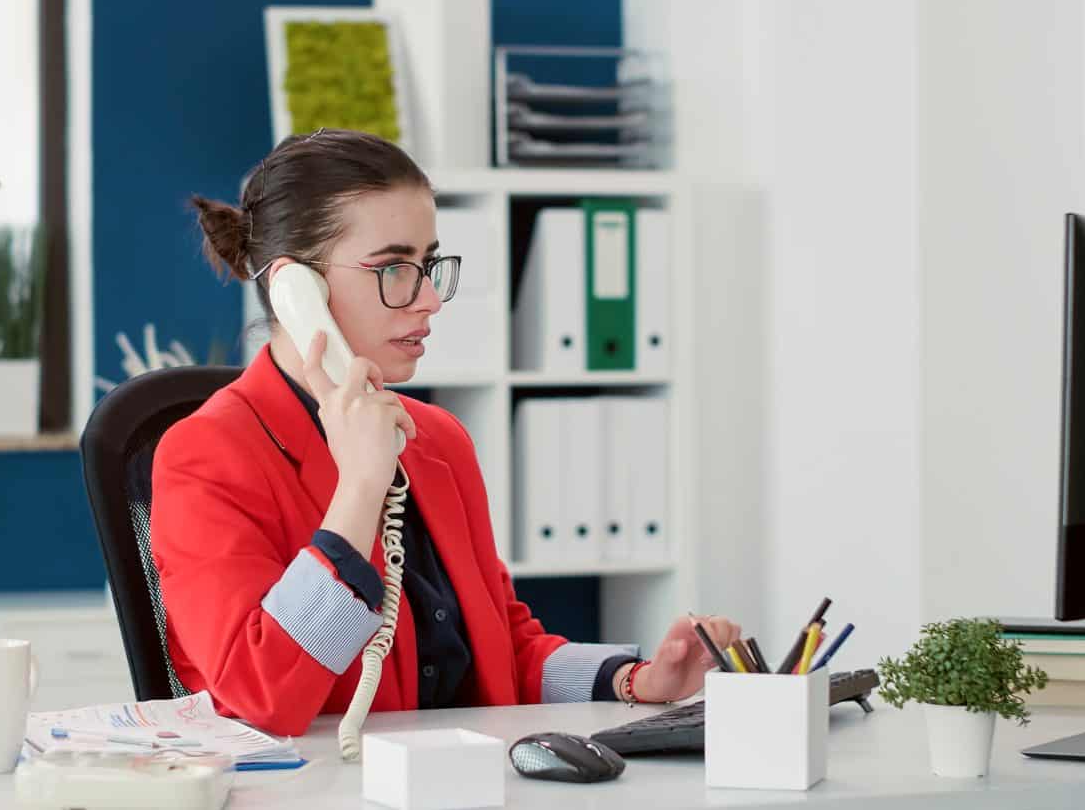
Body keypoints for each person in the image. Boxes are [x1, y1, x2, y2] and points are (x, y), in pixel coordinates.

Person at [150, 128, 743, 738]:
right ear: (294, 288)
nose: (430, 299)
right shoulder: (205, 455)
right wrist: (359, 489)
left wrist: (636, 681)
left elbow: (502, 651)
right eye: (393, 268)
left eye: (428, 265)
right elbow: (261, 694)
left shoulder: (436, 439)